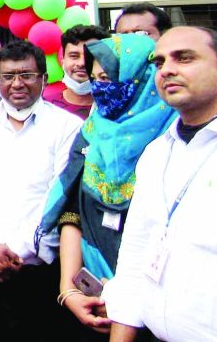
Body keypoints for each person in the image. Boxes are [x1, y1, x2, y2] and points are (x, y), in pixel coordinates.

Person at [102, 27, 217, 341]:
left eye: (184, 58)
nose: (167, 69)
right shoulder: (156, 152)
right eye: (159, 62)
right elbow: (135, 256)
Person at [37, 34, 176, 337]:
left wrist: (125, 298)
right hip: (92, 296)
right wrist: (68, 289)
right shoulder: (91, 131)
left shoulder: (174, 137)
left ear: (143, 78)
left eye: (111, 78)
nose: (102, 88)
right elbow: (71, 211)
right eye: (96, 78)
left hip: (160, 300)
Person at [0, 41, 84, 339]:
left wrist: (17, 254)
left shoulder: (67, 125)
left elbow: (58, 195)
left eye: (26, 75)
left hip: (43, 266)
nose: (17, 84)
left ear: (44, 78)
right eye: (7, 76)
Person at [42, 25, 110, 120]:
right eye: (74, 56)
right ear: (63, 61)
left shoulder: (116, 106)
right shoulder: (44, 107)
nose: (82, 63)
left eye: (90, 56)